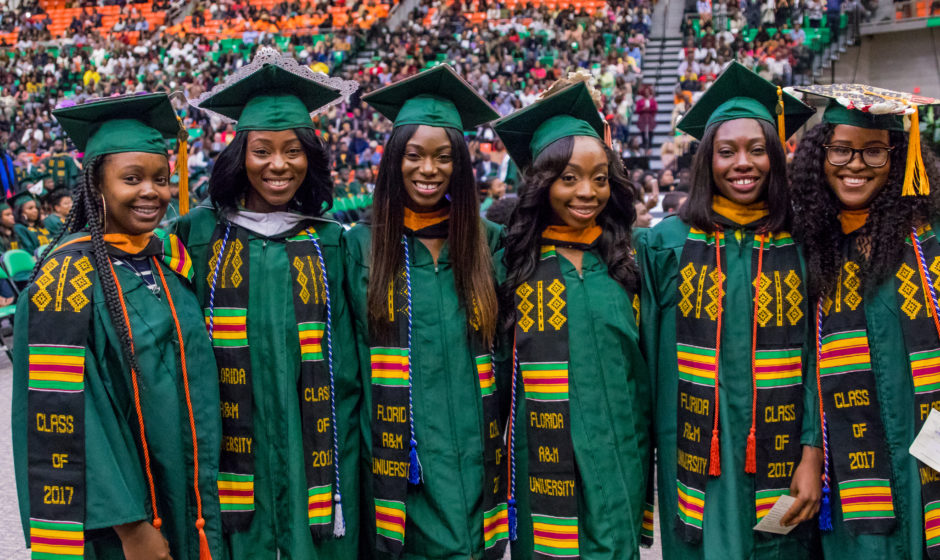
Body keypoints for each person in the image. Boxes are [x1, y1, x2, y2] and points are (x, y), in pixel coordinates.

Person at [11, 92, 222, 560]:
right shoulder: (64, 282)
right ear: (97, 187)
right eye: (131, 179)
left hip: (189, 497)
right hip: (125, 525)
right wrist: (132, 528)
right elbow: (67, 420)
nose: (152, 192)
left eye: (160, 180)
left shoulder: (167, 262)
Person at [177, 47, 361, 560]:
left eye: (293, 150)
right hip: (232, 449)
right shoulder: (196, 237)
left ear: (311, 157)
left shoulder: (332, 243)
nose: (278, 165)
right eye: (262, 150)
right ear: (240, 156)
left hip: (317, 450)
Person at [636, 62, 822, 559]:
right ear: (706, 161)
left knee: (778, 546)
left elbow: (816, 355)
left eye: (758, 149)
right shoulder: (665, 245)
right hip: (692, 452)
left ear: (776, 158)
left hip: (782, 454)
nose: (743, 163)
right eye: (727, 151)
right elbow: (645, 358)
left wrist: (811, 447)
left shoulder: (802, 244)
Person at [346, 63, 510, 558]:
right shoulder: (360, 248)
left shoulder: (490, 245)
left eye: (444, 158)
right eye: (414, 156)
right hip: (402, 465)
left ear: (462, 165)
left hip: (479, 461)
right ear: (394, 161)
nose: (428, 170)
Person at [494, 80, 653, 558]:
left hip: (621, 456)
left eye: (600, 178)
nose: (588, 192)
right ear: (542, 184)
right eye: (569, 178)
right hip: (541, 460)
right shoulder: (509, 264)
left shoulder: (630, 264)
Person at [789, 84, 940, 560]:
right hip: (854, 463)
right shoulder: (817, 251)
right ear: (821, 156)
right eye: (842, 150)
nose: (855, 164)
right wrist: (812, 454)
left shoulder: (930, 244)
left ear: (900, 159)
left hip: (930, 454)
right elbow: (810, 364)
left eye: (874, 151)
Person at [9, 190, 51, 254]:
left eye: (36, 207)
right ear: (20, 211)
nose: (35, 210)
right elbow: (29, 250)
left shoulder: (40, 226)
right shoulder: (19, 228)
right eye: (30, 208)